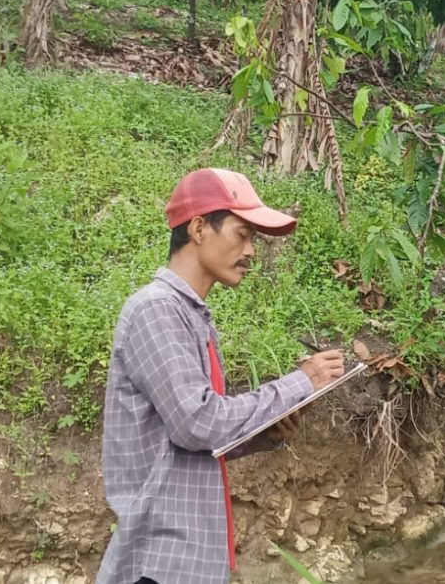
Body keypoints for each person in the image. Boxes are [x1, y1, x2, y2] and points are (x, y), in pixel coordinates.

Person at [95, 168, 345, 584]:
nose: (251, 252)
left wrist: (265, 433)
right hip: (161, 563)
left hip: (185, 563)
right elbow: (197, 424)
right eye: (242, 234)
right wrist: (303, 381)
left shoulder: (192, 317)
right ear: (197, 228)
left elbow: (186, 445)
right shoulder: (157, 310)